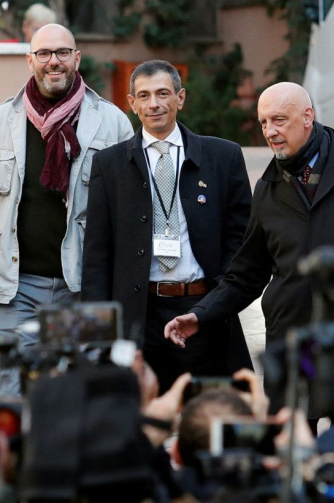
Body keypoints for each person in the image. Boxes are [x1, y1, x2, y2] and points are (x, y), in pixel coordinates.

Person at [164, 82, 334, 415]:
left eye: (279, 120)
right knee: (294, 452)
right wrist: (201, 314)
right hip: (291, 347)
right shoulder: (268, 188)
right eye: (263, 123)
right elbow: (247, 273)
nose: (269, 131)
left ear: (307, 117)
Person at [0, 23, 133, 396]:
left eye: (62, 53)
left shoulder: (112, 123)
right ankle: (24, 456)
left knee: (82, 388)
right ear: (30, 61)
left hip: (84, 288)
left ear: (77, 58)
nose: (53, 62)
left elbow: (131, 216)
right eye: (43, 54)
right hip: (18, 288)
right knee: (16, 387)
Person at [81, 60, 253, 392]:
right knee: (142, 424)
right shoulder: (110, 164)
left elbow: (240, 244)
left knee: (212, 421)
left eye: (163, 93)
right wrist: (99, 340)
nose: (154, 104)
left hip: (204, 314)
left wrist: (218, 304)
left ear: (180, 98)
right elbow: (97, 258)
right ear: (131, 104)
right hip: (140, 318)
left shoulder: (223, 157)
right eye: (143, 96)